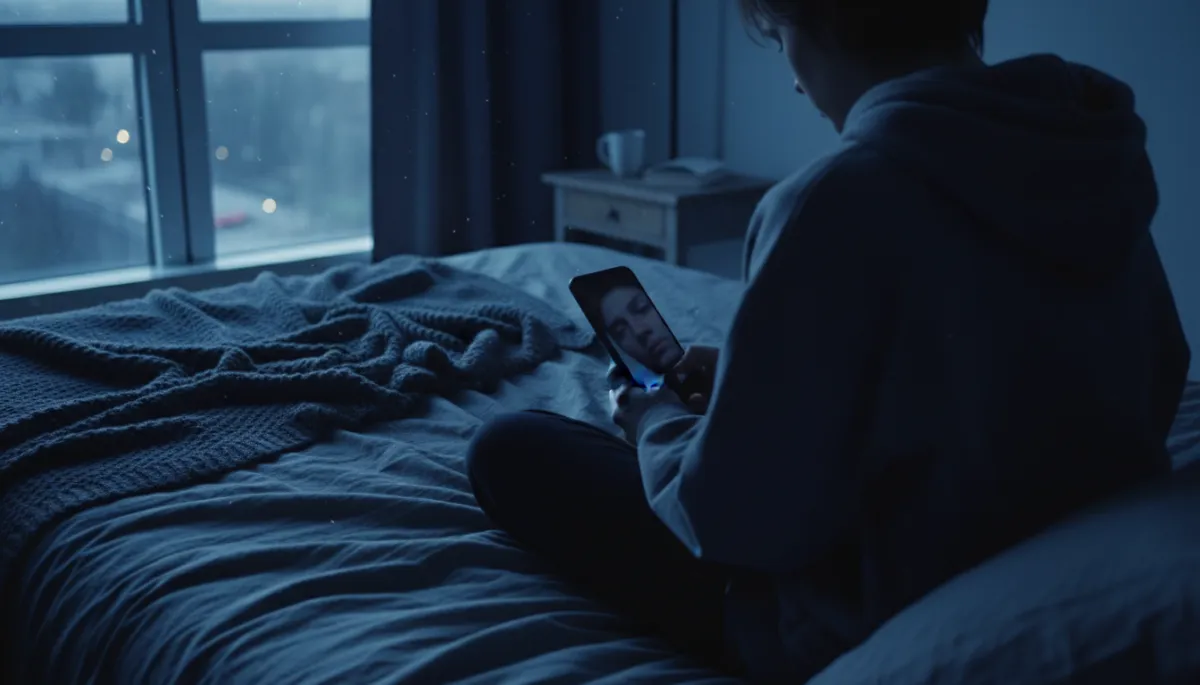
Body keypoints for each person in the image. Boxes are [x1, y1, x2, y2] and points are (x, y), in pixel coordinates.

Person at [466, 0, 1192, 680]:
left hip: (847, 608)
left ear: (819, 25)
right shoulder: (1087, 156)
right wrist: (757, 383)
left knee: (511, 446)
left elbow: (735, 522)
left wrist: (658, 421)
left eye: (782, 38)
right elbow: (1148, 365)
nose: (791, 81)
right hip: (1050, 515)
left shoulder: (837, 199)